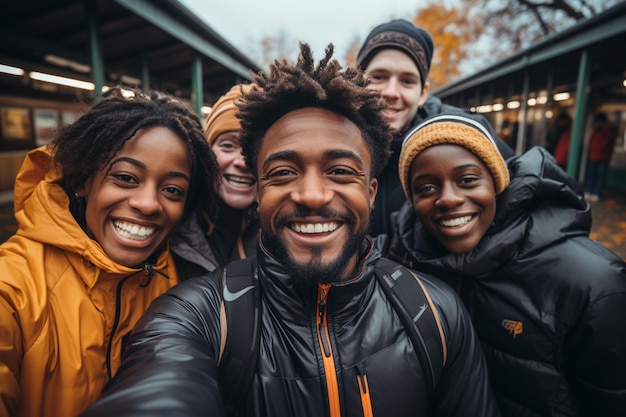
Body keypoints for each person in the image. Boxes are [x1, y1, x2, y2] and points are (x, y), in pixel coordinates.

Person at [82, 43, 499, 417]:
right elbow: (160, 381)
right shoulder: (199, 315)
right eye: (283, 172)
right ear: (258, 192)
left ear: (371, 193)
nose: (313, 195)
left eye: (339, 171)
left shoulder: (435, 313)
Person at [384, 109, 626, 416]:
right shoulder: (405, 259)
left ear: (497, 182)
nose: (447, 199)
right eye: (426, 188)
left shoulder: (594, 285)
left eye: (468, 179)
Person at [0, 86, 218, 417]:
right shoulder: (12, 291)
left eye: (172, 190)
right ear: (83, 181)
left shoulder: (187, 284)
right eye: (126, 178)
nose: (147, 204)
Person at [356, 18, 513, 237]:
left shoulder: (463, 134)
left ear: (423, 93)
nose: (391, 92)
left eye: (407, 81)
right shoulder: (333, 134)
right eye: (378, 77)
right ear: (357, 82)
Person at [170, 83, 259, 278]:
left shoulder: (282, 236)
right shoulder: (170, 225)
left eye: (254, 150)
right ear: (207, 152)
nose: (242, 162)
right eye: (228, 145)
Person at [584, 112, 618, 202]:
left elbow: (605, 144)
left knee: (600, 176)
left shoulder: (610, 131)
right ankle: (588, 191)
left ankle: (596, 193)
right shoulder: (595, 132)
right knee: (591, 175)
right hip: (594, 157)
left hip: (603, 158)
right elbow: (590, 143)